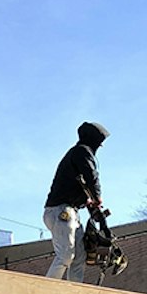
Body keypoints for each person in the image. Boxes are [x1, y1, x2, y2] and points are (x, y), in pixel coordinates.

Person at [43, 121, 109, 282]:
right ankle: (45, 290)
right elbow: (91, 176)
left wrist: (89, 203)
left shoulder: (76, 155)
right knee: (66, 255)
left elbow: (80, 184)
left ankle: (74, 292)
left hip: (68, 211)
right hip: (61, 211)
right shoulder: (82, 151)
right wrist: (97, 197)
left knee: (79, 257)